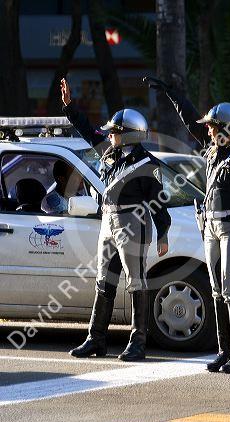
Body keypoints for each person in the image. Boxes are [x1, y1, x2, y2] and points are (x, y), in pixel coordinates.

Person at [144, 77, 230, 373]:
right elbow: (191, 122)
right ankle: (224, 350)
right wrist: (173, 94)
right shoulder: (214, 151)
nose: (209, 131)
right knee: (215, 290)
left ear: (228, 129)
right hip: (210, 225)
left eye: (214, 126)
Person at [60, 78, 171, 361]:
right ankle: (96, 339)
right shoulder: (110, 154)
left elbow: (159, 202)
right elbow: (88, 130)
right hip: (108, 221)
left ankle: (138, 342)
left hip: (133, 222)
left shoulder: (148, 165)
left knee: (136, 282)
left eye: (115, 132)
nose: (109, 135)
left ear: (130, 135)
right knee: (103, 281)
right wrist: (70, 108)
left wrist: (163, 233)